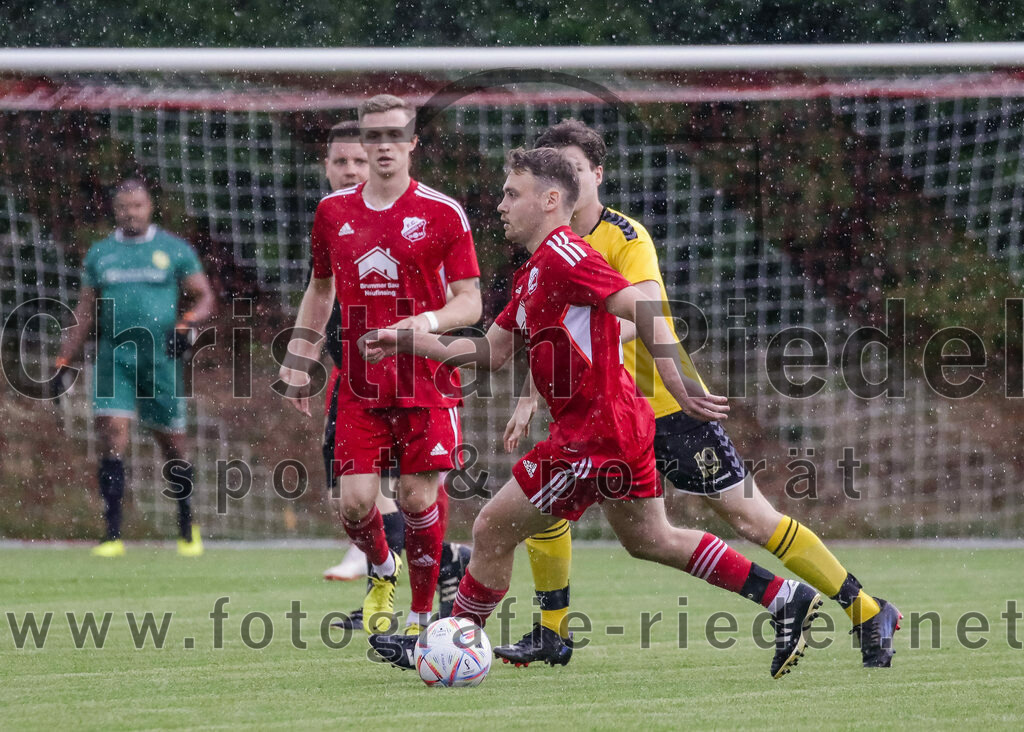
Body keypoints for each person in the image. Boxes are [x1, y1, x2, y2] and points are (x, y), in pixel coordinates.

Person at [361, 147, 822, 679]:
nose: (501, 204)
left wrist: (681, 387)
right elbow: (489, 353)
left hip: (594, 435)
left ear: (550, 199)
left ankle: (445, 644)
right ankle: (784, 595)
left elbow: (643, 306)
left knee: (492, 527)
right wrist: (407, 341)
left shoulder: (566, 255)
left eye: (513, 193)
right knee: (653, 539)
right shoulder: (534, 270)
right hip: (611, 428)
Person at [497, 120, 901, 669]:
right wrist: (530, 394)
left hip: (666, 404)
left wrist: (598, 344)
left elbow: (642, 312)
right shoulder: (548, 249)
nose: (565, 177)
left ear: (594, 175)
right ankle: (552, 632)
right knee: (551, 505)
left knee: (749, 517)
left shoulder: (624, 238)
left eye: (573, 168)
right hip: (602, 413)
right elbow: (550, 330)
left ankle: (865, 608)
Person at [279, 95, 481, 636]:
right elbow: (321, 290)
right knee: (354, 503)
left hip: (426, 378)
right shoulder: (333, 213)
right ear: (364, 145)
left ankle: (420, 621)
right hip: (360, 382)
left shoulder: (443, 212)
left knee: (417, 498)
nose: (383, 145)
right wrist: (299, 358)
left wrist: (428, 324)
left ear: (413, 142)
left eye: (394, 135)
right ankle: (382, 569)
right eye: (374, 137)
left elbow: (470, 302)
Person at [56, 178, 215, 557]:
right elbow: (85, 310)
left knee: (173, 444)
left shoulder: (172, 250)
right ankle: (112, 535)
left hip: (160, 360)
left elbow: (204, 295)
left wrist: (188, 323)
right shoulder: (101, 254)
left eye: (138, 205)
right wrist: (64, 358)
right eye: (125, 207)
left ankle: (186, 525)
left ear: (150, 207)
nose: (132, 212)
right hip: (115, 359)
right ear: (115, 210)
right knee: (112, 434)